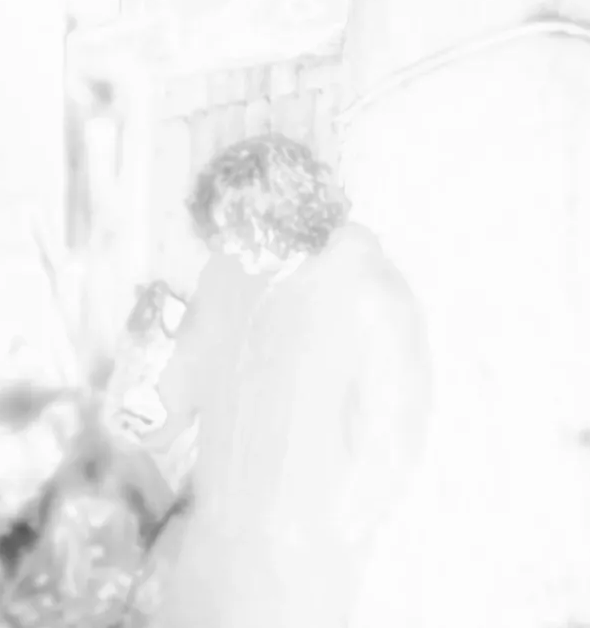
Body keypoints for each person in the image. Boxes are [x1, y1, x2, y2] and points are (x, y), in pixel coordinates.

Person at [150, 133, 435, 628]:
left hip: (295, 568)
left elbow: (393, 437)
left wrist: (330, 537)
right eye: (222, 234)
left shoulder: (369, 295)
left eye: (242, 232)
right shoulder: (227, 278)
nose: (229, 247)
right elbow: (185, 375)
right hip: (213, 544)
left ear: (287, 217)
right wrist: (153, 418)